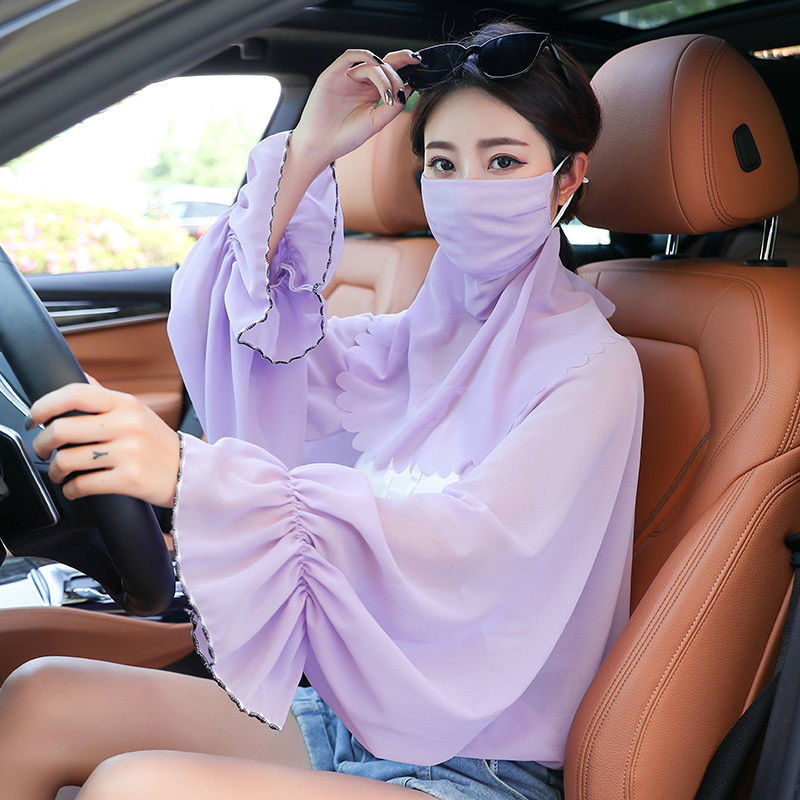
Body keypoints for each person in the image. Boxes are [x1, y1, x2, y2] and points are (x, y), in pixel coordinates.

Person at [0, 20, 643, 800]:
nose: (468, 187)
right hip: (349, 714)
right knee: (40, 698)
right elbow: (250, 343)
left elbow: (465, 544)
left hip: (483, 760)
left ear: (567, 180)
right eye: (443, 164)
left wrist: (193, 474)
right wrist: (309, 151)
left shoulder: (593, 368)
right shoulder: (407, 344)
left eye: (503, 161)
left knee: (134, 788)